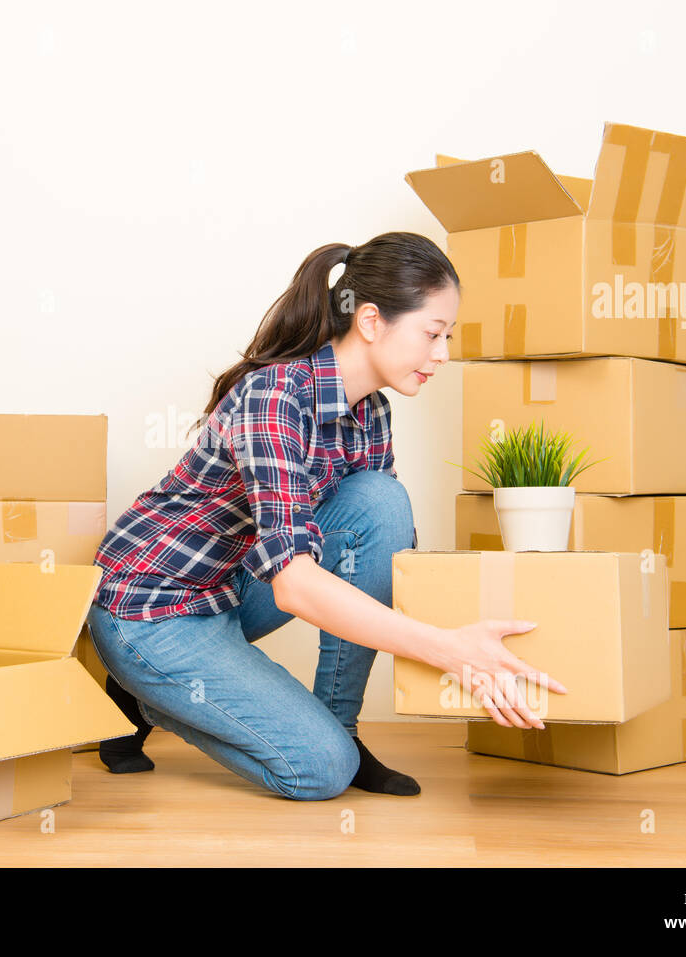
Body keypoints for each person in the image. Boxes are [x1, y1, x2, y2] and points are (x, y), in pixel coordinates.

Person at [86, 231, 566, 801]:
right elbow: (293, 586)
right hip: (153, 610)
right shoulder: (274, 397)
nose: (443, 354)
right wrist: (444, 649)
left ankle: (342, 727)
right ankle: (143, 693)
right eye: (433, 334)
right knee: (318, 771)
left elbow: (377, 551)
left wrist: (473, 636)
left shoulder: (373, 410)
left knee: (382, 503)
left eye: (448, 337)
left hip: (230, 586)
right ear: (369, 321)